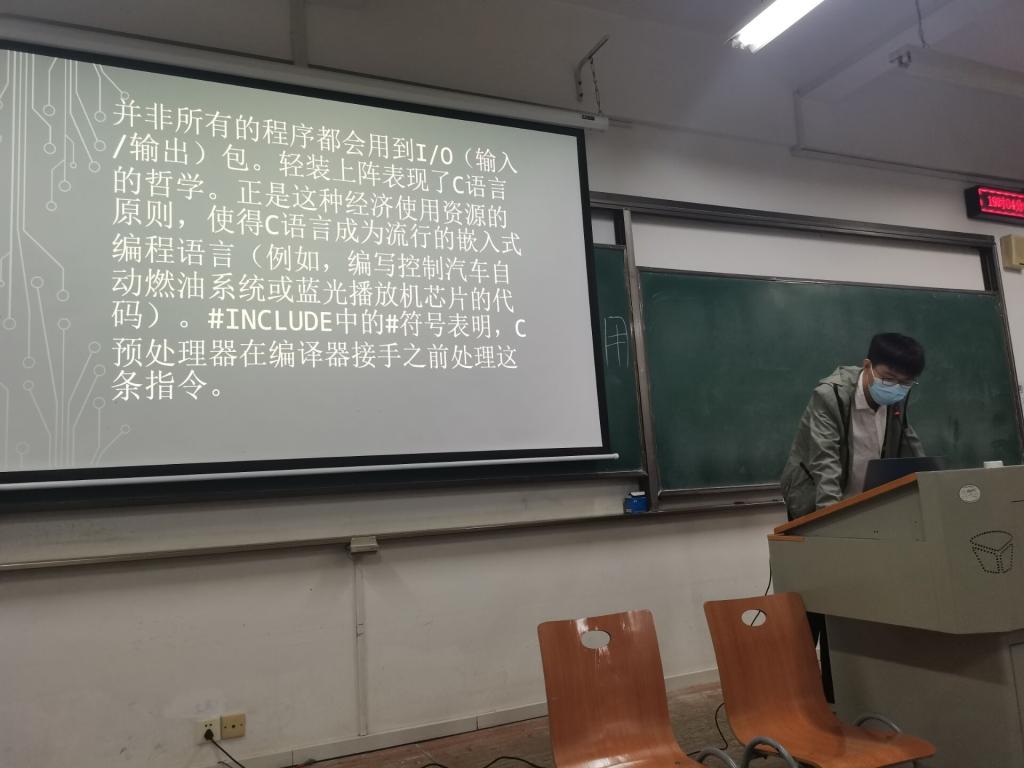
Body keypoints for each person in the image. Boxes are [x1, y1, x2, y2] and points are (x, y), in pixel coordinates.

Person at [779, 332, 926, 702]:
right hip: (817, 507)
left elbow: (910, 447)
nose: (896, 388)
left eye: (906, 383)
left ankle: (840, 691)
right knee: (813, 598)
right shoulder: (829, 395)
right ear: (868, 366)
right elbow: (824, 463)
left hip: (863, 507)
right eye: (889, 378)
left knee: (851, 599)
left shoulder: (897, 400)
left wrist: (933, 483)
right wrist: (831, 525)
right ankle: (797, 693)